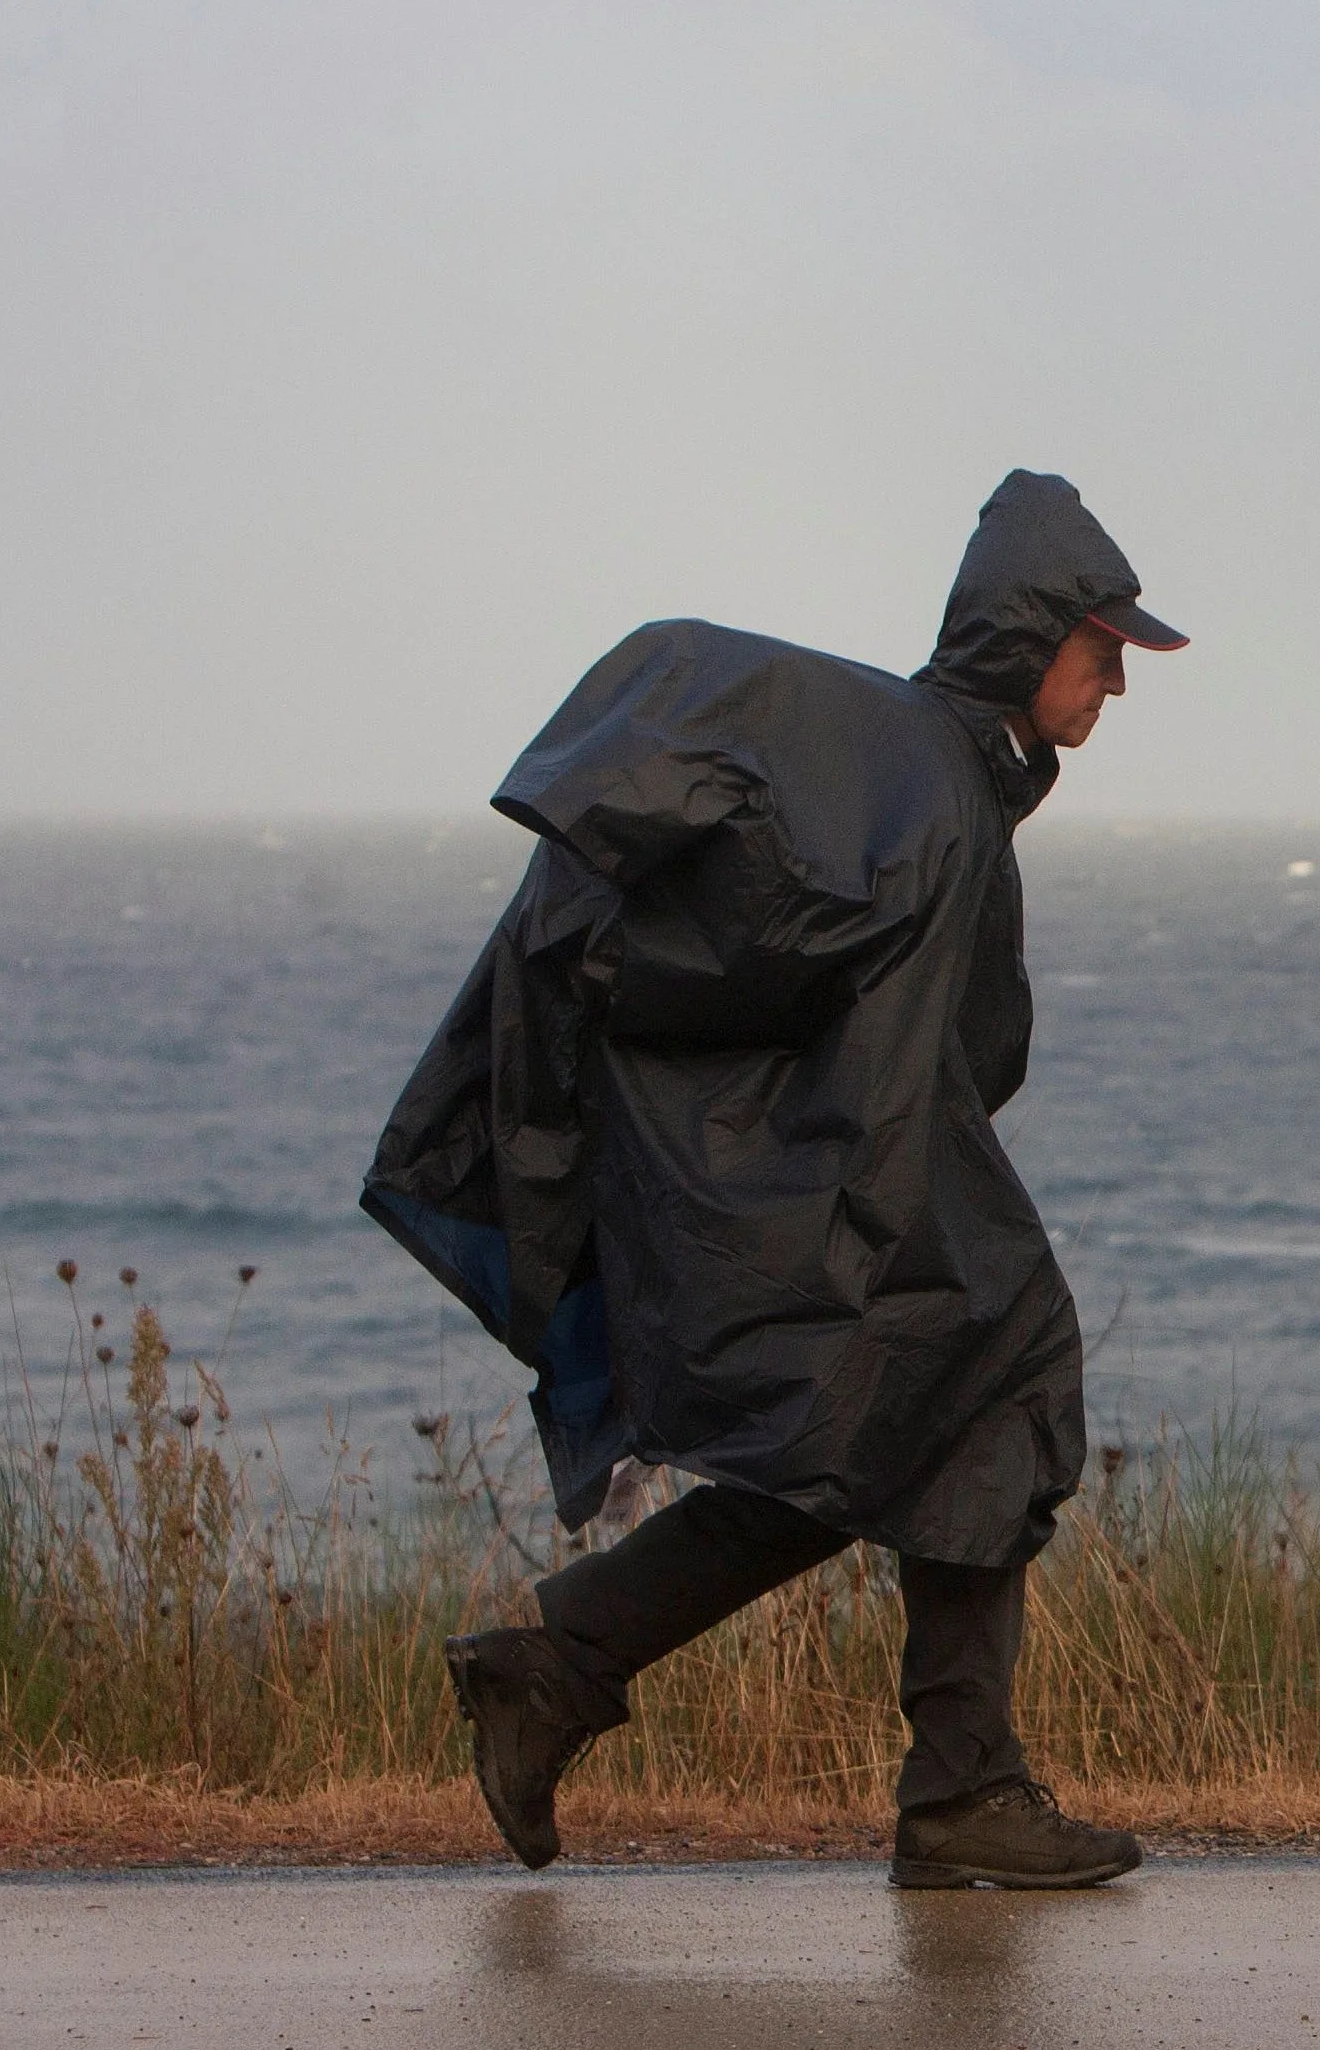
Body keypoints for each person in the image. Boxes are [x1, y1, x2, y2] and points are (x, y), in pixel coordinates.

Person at [360, 470, 1183, 1889]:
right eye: (1099, 644)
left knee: (899, 1432)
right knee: (993, 1370)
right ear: (1026, 633)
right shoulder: (935, 792)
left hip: (833, 1173)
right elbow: (905, 1062)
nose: (1116, 676)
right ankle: (953, 1786)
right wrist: (876, 1231)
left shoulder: (938, 774)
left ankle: (563, 1666)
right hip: (847, 1181)